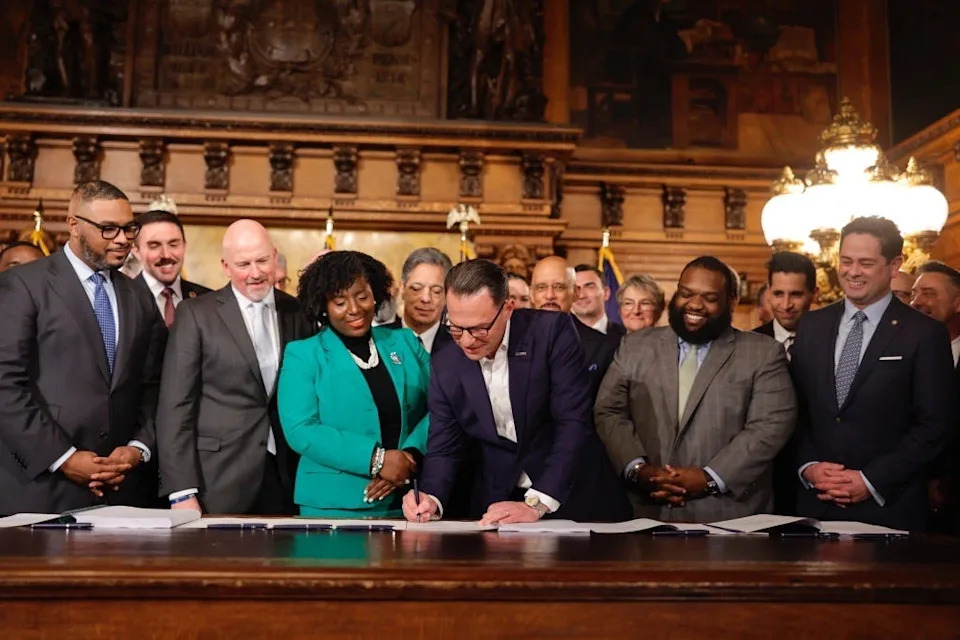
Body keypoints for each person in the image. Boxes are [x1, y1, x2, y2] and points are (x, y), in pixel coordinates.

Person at [402, 259, 631, 524]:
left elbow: (572, 423)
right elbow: (444, 445)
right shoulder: (446, 360)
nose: (466, 340)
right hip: (498, 500)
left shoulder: (551, 333)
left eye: (479, 328)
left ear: (508, 308)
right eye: (455, 327)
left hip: (572, 495)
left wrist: (537, 503)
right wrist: (431, 497)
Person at [0, 180, 166, 514]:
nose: (122, 239)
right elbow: (5, 384)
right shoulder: (23, 285)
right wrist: (63, 458)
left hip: (121, 491)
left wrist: (137, 447)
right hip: (40, 490)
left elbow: (154, 386)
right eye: (108, 229)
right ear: (73, 225)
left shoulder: (138, 296)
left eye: (128, 228)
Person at [595, 256, 796, 521]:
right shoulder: (634, 347)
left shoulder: (763, 353)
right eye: (686, 293)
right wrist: (639, 470)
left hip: (728, 517)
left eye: (709, 297)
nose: (694, 304)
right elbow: (609, 411)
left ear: (731, 301)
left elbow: (771, 425)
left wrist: (709, 477)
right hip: (642, 511)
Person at [792, 217, 956, 531]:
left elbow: (935, 425)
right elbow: (796, 410)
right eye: (846, 261)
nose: (852, 272)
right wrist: (809, 467)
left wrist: (870, 480)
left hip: (890, 509)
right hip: (814, 506)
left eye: (866, 263)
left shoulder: (923, 333)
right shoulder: (812, 325)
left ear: (894, 265)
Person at [156, 220, 315, 515]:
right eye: (244, 264)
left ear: (275, 256)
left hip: (287, 477)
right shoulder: (195, 314)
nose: (255, 273)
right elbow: (175, 406)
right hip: (216, 479)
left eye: (263, 261)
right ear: (225, 266)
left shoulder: (298, 311)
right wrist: (181, 491)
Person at [278, 251, 431, 517]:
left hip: (408, 502)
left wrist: (409, 457)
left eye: (362, 297)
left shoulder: (405, 343)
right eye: (339, 301)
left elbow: (444, 405)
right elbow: (300, 429)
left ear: (376, 295)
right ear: (323, 307)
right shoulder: (303, 354)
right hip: (332, 506)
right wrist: (378, 460)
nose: (354, 309)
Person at [911, 260, 960, 532]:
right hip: (909, 492)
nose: (916, 302)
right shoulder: (905, 351)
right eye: (914, 294)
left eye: (928, 293)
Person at [530, 256, 620, 402]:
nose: (550, 295)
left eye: (559, 287)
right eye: (541, 287)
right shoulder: (510, 342)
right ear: (531, 295)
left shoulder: (606, 347)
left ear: (575, 293)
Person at [130, 210, 211, 328]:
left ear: (184, 246)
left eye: (173, 244)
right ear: (136, 252)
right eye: (154, 246)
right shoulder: (123, 301)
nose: (166, 255)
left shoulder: (207, 300)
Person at [754, 252, 818, 359]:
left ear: (814, 295)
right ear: (769, 292)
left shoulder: (830, 341)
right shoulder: (750, 344)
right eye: (778, 294)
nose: (786, 305)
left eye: (796, 294)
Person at [398, 247, 454, 354]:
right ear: (402, 288)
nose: (426, 298)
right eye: (416, 289)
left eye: (436, 291)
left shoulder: (460, 347)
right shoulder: (379, 340)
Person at [572, 264, 626, 338]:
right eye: (575, 289)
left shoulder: (626, 336)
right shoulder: (559, 337)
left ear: (606, 293)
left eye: (590, 287)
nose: (581, 296)